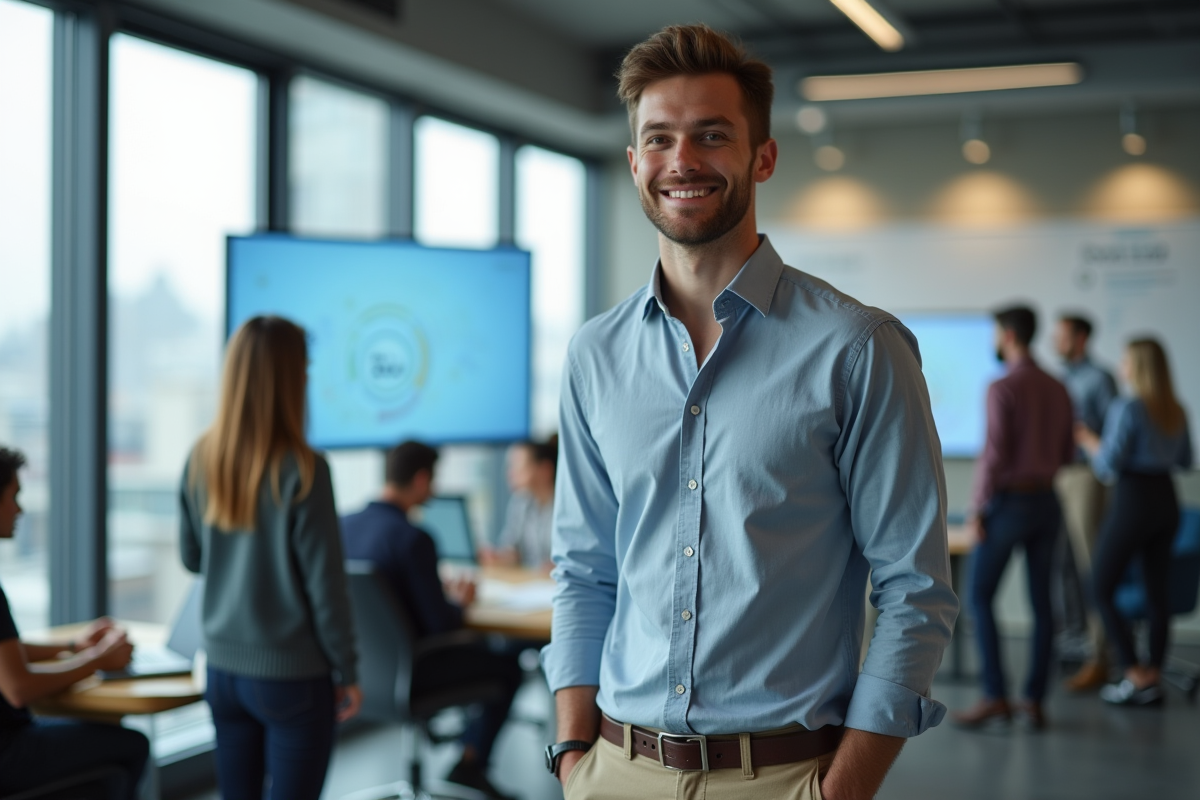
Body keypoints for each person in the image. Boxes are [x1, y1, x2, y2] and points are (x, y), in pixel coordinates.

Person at [542, 25, 957, 800]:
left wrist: (843, 788)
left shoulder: (856, 347)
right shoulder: (594, 354)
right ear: (634, 163)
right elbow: (585, 569)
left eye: (711, 136)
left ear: (762, 157)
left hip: (783, 776)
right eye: (658, 139)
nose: (682, 161)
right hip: (612, 770)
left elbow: (914, 588)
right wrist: (573, 755)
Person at [180, 316, 361, 800]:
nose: (307, 378)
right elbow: (327, 587)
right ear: (288, 378)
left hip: (221, 672)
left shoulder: (201, 457)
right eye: (303, 368)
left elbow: (194, 558)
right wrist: (347, 669)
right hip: (292, 677)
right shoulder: (305, 469)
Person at [340, 441, 522, 800]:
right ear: (422, 479)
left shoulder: (341, 526)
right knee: (507, 665)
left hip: (358, 673)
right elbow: (441, 625)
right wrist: (459, 601)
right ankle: (469, 763)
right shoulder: (412, 538)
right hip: (412, 672)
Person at [0, 446, 150, 799]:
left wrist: (73, 647)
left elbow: (5, 652)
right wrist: (98, 660)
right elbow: (18, 688)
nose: (20, 509)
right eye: (13, 497)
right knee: (132, 744)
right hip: (8, 756)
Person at [953, 306, 1075, 730]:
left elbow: (994, 456)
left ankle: (995, 697)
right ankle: (1034, 701)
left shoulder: (1001, 386)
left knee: (979, 597)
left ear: (1007, 336)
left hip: (1008, 505)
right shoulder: (1058, 387)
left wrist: (977, 509)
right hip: (1047, 501)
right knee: (1044, 605)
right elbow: (1066, 454)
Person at [1076, 338, 1193, 706]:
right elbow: (1186, 461)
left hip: (1134, 500)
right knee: (1156, 591)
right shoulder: (1176, 408)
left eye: (1126, 359)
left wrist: (1088, 439)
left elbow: (1107, 466)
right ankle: (1152, 675)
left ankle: (1132, 673)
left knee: (1098, 587)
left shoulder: (1127, 406)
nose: (1122, 365)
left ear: (1137, 365)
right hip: (1166, 499)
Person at [1053, 314, 1119, 691]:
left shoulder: (1100, 379)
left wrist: (1082, 433)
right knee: (1061, 567)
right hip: (1057, 475)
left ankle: (1101, 655)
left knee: (1090, 563)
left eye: (1061, 336)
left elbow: (1113, 439)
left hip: (1086, 479)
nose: (1054, 342)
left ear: (1080, 338)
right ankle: (1073, 642)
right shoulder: (1060, 378)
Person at [481, 436, 557, 573]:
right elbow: (512, 548)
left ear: (545, 470)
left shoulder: (566, 507)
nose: (510, 474)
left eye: (519, 467)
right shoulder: (520, 501)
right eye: (510, 467)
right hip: (530, 583)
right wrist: (498, 556)